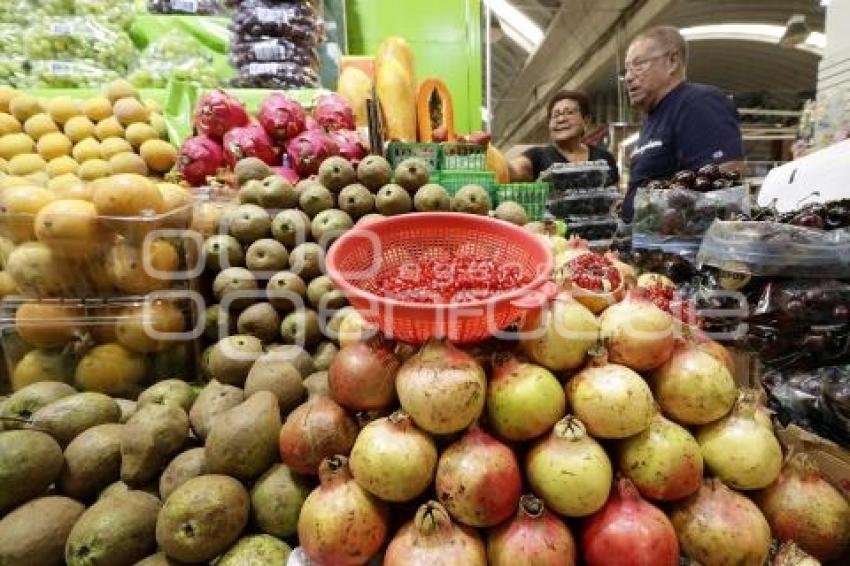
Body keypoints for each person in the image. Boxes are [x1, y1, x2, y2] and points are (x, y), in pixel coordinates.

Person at [621, 25, 744, 222]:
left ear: (672, 61)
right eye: (626, 69)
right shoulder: (654, 118)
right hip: (647, 245)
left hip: (677, 248)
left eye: (638, 64)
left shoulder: (697, 103)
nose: (628, 77)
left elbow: (725, 183)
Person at [509, 90, 619, 186]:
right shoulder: (538, 156)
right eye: (555, 115)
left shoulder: (604, 158)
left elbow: (615, 198)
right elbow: (516, 170)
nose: (561, 119)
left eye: (569, 113)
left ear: (586, 120)